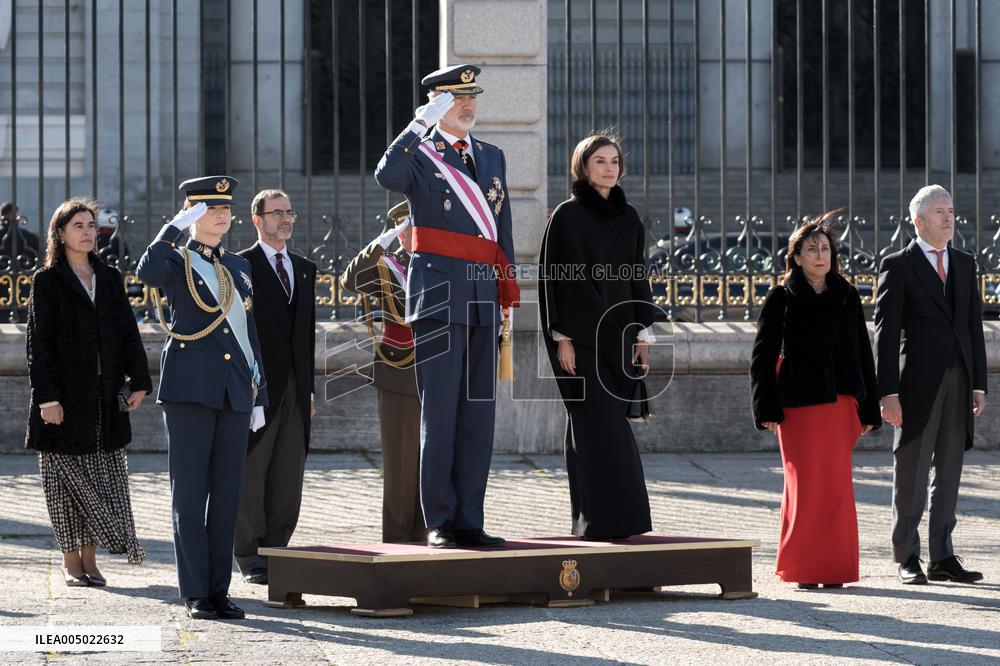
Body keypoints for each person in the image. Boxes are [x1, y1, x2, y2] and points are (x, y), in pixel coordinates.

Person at [374, 64, 519, 549]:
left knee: (478, 415)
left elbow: (502, 231)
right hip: (437, 298)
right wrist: (419, 124)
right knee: (440, 414)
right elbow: (386, 175)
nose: (469, 105)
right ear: (437, 104)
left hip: (481, 298)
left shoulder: (492, 156)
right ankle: (439, 518)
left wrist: (506, 293)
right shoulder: (420, 155)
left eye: (472, 96)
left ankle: (469, 520)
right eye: (457, 99)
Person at [136, 176, 268, 620]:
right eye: (210, 208)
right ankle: (194, 590)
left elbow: (249, 334)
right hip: (190, 389)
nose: (221, 215)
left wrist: (259, 393)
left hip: (234, 389)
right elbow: (146, 273)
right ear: (192, 213)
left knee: (228, 495)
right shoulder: (176, 260)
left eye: (225, 207)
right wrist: (173, 229)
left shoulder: (239, 266)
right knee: (190, 495)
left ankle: (218, 589)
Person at [750, 213, 881, 589]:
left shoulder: (847, 294)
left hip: (840, 404)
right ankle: (805, 567)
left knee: (837, 488)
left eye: (825, 249)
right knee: (804, 486)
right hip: (798, 408)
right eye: (811, 249)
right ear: (797, 257)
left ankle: (835, 568)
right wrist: (766, 408)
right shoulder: (781, 297)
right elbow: (761, 355)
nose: (820, 255)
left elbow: (862, 351)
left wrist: (869, 406)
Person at [25, 197, 151, 586]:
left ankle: (91, 560)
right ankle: (70, 561)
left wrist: (141, 381)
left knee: (101, 480)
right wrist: (48, 400)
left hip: (104, 400)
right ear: (60, 234)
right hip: (62, 401)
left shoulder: (110, 277)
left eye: (91, 225)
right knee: (65, 485)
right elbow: (38, 344)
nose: (87, 232)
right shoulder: (47, 281)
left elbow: (129, 332)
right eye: (78, 225)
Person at [538, 132, 655, 540]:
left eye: (614, 161)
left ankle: (608, 522)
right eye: (600, 161)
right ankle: (599, 524)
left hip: (621, 338)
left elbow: (637, 276)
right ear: (583, 167)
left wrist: (643, 333)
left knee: (603, 428)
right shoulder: (567, 216)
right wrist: (562, 339)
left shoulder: (630, 218)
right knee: (593, 424)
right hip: (580, 343)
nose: (609, 168)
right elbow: (556, 282)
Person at [875, 185, 987, 585]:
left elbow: (973, 325)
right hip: (915, 386)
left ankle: (943, 555)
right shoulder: (898, 264)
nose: (949, 217)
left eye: (952, 210)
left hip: (960, 380)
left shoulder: (963, 262)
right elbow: (886, 335)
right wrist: (887, 392)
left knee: (951, 469)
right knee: (912, 471)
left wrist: (979, 384)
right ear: (918, 221)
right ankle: (907, 555)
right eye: (940, 211)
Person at [235, 189, 316, 584]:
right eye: (277, 212)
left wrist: (310, 391)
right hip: (257, 388)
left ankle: (277, 551)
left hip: (296, 390)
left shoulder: (304, 268)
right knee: (251, 475)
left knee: (288, 475)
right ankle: (251, 558)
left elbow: (305, 338)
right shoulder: (240, 267)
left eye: (290, 211)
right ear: (257, 220)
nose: (285, 219)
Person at [340, 201, 423, 543]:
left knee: (437, 457)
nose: (414, 235)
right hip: (400, 368)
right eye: (408, 230)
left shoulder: (441, 261)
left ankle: (436, 528)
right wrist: (382, 242)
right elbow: (349, 280)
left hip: (442, 367)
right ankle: (402, 534)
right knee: (403, 459)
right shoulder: (385, 265)